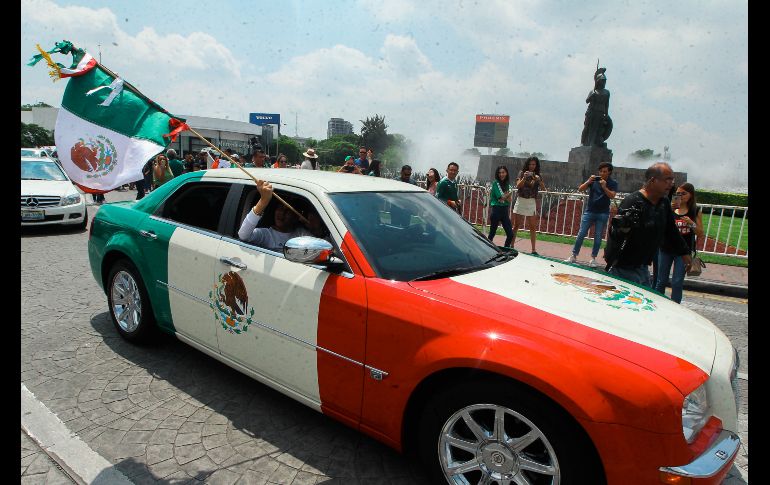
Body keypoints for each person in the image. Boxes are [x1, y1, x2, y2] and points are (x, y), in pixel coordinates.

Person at [604, 162, 692, 287]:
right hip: (623, 269)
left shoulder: (664, 202)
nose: (671, 184)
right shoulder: (633, 201)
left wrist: (685, 253)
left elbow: (671, 231)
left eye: (672, 180)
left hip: (642, 268)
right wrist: (623, 229)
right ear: (653, 180)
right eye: (667, 180)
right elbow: (615, 234)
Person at [237, 180, 321, 252]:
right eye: (280, 208)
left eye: (288, 210)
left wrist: (316, 229)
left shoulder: (301, 234)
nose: (282, 213)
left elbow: (322, 247)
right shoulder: (266, 235)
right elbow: (243, 235)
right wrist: (263, 201)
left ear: (296, 217)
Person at [655, 183, 704, 303]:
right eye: (678, 193)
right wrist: (667, 210)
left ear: (691, 195)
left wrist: (691, 223)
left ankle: (675, 306)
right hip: (666, 248)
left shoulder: (695, 210)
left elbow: (700, 233)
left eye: (684, 193)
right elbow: (658, 224)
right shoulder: (669, 208)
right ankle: (657, 303)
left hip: (683, 252)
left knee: (677, 282)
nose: (680, 196)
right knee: (661, 280)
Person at [566, 161, 618, 267]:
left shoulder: (613, 183)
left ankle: (593, 259)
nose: (602, 173)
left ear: (609, 172)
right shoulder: (594, 180)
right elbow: (580, 189)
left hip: (602, 213)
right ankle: (573, 255)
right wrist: (588, 181)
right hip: (590, 211)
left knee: (598, 236)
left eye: (605, 171)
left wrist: (604, 187)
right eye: (601, 171)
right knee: (581, 233)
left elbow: (612, 196)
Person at [511, 156, 546, 254]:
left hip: (531, 201)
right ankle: (512, 245)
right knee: (516, 225)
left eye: (534, 164)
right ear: (527, 164)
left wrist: (539, 180)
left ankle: (533, 249)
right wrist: (524, 178)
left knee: (532, 227)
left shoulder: (538, 175)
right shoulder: (522, 173)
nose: (532, 166)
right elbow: (518, 186)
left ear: (536, 165)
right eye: (530, 164)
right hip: (521, 200)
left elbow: (544, 189)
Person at [487, 166, 514, 247]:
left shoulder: (508, 184)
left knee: (510, 234)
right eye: (499, 173)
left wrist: (505, 196)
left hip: (505, 211)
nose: (501, 174)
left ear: (506, 173)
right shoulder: (495, 183)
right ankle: (488, 248)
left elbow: (509, 200)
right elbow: (501, 198)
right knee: (492, 233)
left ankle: (506, 249)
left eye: (503, 172)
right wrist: (507, 194)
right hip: (496, 210)